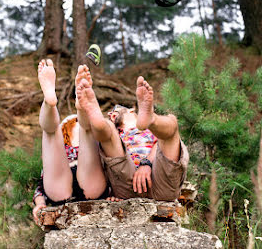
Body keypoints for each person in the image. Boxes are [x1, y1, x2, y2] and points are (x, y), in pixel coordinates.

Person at [76, 68, 189, 201]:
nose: (111, 114)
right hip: (127, 186)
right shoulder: (116, 134)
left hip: (161, 182)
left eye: (116, 110)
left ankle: (152, 119)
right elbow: (106, 166)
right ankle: (96, 119)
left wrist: (146, 163)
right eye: (110, 114)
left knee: (171, 125)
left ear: (131, 111)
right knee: (107, 132)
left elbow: (162, 147)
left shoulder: (153, 131)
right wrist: (110, 193)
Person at [32, 60, 108, 225]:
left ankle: (82, 108)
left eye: (76, 122)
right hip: (67, 183)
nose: (73, 124)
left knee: (86, 133)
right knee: (52, 133)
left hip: (85, 180)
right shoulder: (61, 148)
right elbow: (42, 182)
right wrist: (40, 204)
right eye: (72, 124)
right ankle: (49, 102)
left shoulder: (92, 145)